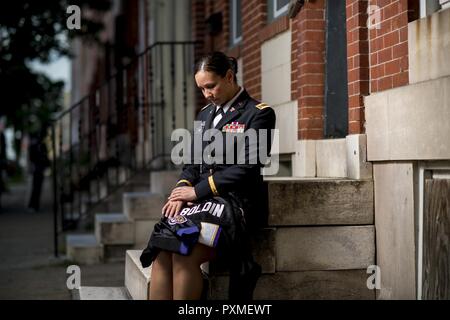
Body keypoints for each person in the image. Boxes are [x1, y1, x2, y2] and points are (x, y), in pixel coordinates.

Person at [140, 51, 276, 300]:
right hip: (202, 204)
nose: (206, 94)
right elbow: (193, 164)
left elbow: (248, 167)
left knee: (184, 252)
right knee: (162, 252)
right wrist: (181, 192)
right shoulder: (205, 115)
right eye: (201, 89)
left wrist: (197, 191)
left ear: (229, 76)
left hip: (236, 206)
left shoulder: (258, 113)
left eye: (210, 86)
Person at [28, 130, 50, 212]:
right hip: (37, 168)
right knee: (36, 187)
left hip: (40, 168)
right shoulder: (35, 145)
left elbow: (46, 156)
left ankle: (35, 204)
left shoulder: (41, 145)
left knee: (38, 187)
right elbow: (32, 157)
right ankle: (33, 204)